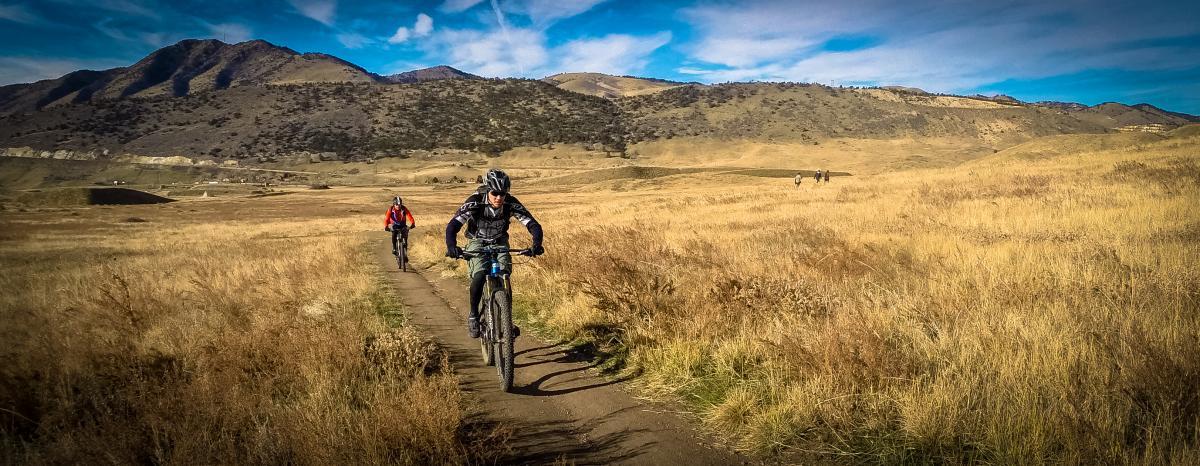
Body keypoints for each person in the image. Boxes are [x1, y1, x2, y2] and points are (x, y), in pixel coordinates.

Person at [445, 169, 544, 338]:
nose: (499, 197)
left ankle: (506, 318)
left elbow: (532, 224)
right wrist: (452, 246)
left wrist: (536, 244)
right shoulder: (475, 202)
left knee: (504, 275)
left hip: (499, 241)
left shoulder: (510, 203)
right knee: (479, 274)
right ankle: (473, 315)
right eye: (495, 193)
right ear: (487, 190)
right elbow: (453, 225)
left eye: (503, 194)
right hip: (477, 241)